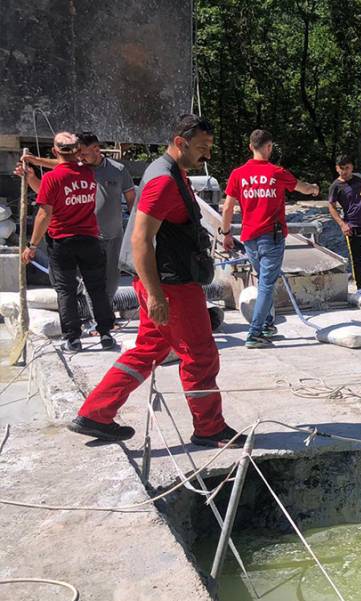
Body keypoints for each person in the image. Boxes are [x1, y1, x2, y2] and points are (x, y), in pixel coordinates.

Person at [70, 114, 246, 447]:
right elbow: (140, 239)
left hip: (165, 280)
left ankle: (95, 414)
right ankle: (209, 428)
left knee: (149, 349)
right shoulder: (164, 180)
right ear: (180, 142)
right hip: (170, 285)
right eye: (201, 147)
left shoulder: (168, 171)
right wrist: (155, 295)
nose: (206, 155)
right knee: (200, 354)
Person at [220, 129, 319, 349]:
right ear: (269, 147)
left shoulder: (238, 174)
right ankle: (254, 333)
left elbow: (227, 207)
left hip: (249, 237)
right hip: (271, 238)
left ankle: (266, 324)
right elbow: (300, 187)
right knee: (266, 284)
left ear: (250, 147)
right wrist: (313, 189)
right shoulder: (276, 172)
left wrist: (226, 234)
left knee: (261, 279)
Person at [18, 132, 115, 352]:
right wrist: (33, 171)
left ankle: (73, 337)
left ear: (54, 151)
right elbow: (56, 182)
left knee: (66, 290)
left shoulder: (53, 178)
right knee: (97, 288)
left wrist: (32, 246)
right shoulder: (89, 173)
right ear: (78, 152)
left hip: (63, 242)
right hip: (90, 240)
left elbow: (45, 213)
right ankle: (106, 333)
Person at [18, 133, 136, 313]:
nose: (78, 157)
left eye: (83, 154)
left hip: (111, 235)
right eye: (77, 153)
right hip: (81, 236)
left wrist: (135, 231)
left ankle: (99, 320)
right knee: (64, 279)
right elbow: (51, 191)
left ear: (97, 150)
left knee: (108, 280)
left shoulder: (118, 170)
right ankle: (89, 319)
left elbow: (132, 201)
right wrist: (33, 166)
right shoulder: (78, 169)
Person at [327, 154, 361, 290]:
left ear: (352, 167)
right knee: (357, 258)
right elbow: (331, 206)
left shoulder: (360, 179)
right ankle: (359, 287)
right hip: (352, 226)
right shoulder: (336, 186)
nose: (344, 171)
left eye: (347, 168)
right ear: (337, 168)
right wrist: (342, 224)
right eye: (342, 168)